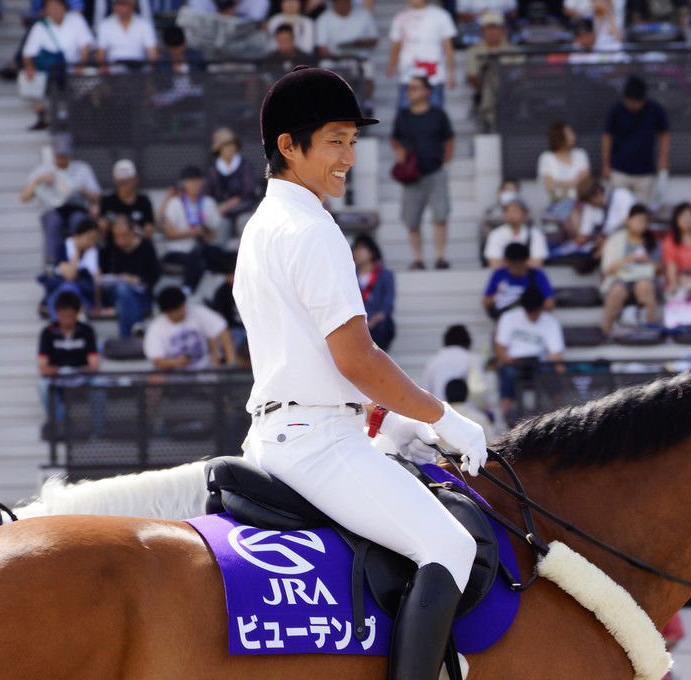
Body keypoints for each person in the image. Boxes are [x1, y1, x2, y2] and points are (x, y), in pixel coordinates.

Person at [233, 66, 488, 680]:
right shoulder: (313, 230)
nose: (349, 156)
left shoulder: (262, 225)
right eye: (334, 142)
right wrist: (442, 417)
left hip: (286, 432)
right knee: (452, 546)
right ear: (288, 147)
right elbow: (356, 358)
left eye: (353, 140)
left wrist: (389, 423)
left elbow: (320, 363)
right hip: (316, 444)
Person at [392, 75, 455, 270]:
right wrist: (400, 151)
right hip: (412, 175)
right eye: (409, 88)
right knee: (412, 220)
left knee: (440, 216)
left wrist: (445, 163)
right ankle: (418, 258)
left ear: (427, 91)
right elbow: (395, 138)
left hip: (435, 172)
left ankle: (439, 256)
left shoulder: (438, 114)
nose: (411, 92)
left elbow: (449, 139)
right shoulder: (403, 115)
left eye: (416, 88)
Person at [21, 132, 101, 265]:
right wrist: (38, 181)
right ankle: (52, 263)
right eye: (59, 155)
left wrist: (83, 190)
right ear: (54, 154)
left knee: (79, 221)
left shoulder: (82, 168)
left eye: (65, 155)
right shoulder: (43, 170)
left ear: (71, 154)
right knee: (53, 222)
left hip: (76, 207)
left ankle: (81, 262)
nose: (62, 159)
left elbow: (97, 195)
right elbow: (24, 197)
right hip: (53, 209)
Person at [19, 0, 94, 130]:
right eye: (50, 7)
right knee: (28, 77)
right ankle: (43, 115)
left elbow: (86, 45)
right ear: (45, 10)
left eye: (57, 6)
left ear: (64, 7)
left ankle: (81, 115)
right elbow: (27, 54)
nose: (54, 10)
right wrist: (29, 67)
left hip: (73, 68)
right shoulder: (40, 26)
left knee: (91, 75)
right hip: (50, 71)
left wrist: (80, 65)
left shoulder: (76, 20)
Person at [495, 285, 565, 421]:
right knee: (508, 373)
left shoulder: (550, 323)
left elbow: (557, 357)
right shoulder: (509, 317)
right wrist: (509, 360)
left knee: (551, 374)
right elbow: (500, 350)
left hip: (539, 364)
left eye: (535, 311)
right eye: (529, 311)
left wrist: (561, 374)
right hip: (514, 363)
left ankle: (560, 414)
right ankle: (506, 416)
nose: (532, 315)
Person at [157, 164, 227, 295]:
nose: (194, 184)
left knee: (215, 252)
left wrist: (205, 233)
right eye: (190, 181)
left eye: (197, 180)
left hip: (201, 247)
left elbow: (214, 232)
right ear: (183, 183)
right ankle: (187, 289)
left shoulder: (209, 202)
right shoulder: (175, 203)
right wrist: (190, 233)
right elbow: (168, 232)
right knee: (195, 258)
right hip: (179, 250)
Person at [601, 75, 670, 204]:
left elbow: (664, 133)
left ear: (643, 99)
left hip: (644, 172)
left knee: (641, 211)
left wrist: (663, 159)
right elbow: (607, 136)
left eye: (635, 101)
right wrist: (606, 164)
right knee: (618, 207)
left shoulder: (655, 110)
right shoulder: (617, 109)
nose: (631, 105)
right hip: (619, 170)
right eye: (628, 100)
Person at [37, 290, 99, 427]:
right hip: (59, 377)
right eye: (62, 315)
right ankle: (60, 425)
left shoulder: (87, 331)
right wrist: (51, 370)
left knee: (99, 382)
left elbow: (94, 363)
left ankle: (99, 428)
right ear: (57, 313)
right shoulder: (48, 333)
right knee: (42, 385)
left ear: (76, 313)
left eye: (70, 315)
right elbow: (42, 365)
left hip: (81, 376)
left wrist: (84, 370)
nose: (66, 319)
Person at [600, 204, 661, 335]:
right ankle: (606, 331)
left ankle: (650, 330)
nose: (642, 224)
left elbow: (660, 269)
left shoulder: (652, 241)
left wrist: (647, 261)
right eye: (639, 220)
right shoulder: (615, 239)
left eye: (645, 221)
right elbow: (607, 268)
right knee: (617, 290)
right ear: (629, 220)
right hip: (620, 278)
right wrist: (626, 260)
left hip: (644, 279)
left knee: (644, 285)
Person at [144, 286, 237, 370]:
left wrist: (230, 364)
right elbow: (156, 359)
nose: (179, 313)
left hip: (205, 369)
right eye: (174, 311)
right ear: (166, 312)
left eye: (180, 308)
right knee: (156, 378)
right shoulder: (156, 327)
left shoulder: (197, 312)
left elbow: (222, 330)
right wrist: (176, 362)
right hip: (174, 375)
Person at [387, 0, 457, 109]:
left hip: (434, 78)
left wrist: (451, 72)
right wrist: (392, 65)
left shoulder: (441, 15)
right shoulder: (400, 17)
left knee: (435, 116)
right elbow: (396, 44)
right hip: (408, 77)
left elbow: (448, 47)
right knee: (406, 116)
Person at [99, 213, 160, 338]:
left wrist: (136, 279)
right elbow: (102, 273)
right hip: (114, 294)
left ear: (133, 231)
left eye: (124, 235)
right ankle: (136, 324)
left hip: (140, 295)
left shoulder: (146, 246)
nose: (120, 240)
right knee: (122, 290)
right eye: (116, 236)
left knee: (123, 300)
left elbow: (155, 275)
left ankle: (125, 339)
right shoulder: (109, 248)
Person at [314, 0, 378, 111]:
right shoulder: (324, 18)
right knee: (324, 67)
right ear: (334, 3)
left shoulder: (363, 14)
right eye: (340, 2)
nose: (344, 4)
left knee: (368, 68)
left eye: (346, 2)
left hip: (358, 56)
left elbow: (374, 39)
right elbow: (321, 47)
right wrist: (336, 57)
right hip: (334, 58)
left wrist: (362, 43)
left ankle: (366, 102)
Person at [205, 127, 260, 242]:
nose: (230, 148)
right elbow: (209, 194)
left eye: (232, 144)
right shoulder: (213, 171)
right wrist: (219, 208)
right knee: (219, 226)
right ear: (218, 149)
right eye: (226, 145)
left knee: (245, 223)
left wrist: (231, 203)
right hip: (223, 213)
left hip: (245, 209)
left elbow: (249, 189)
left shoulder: (245, 166)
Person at [464, 10, 516, 131]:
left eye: (495, 28)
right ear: (483, 31)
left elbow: (521, 72)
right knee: (490, 74)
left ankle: (490, 112)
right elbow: (472, 75)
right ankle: (490, 113)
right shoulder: (474, 50)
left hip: (510, 91)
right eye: (488, 28)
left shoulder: (511, 49)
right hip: (484, 90)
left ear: (502, 30)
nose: (492, 32)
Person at [41, 218, 101, 322]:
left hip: (83, 294)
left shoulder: (93, 252)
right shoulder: (63, 247)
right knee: (68, 286)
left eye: (94, 239)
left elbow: (96, 279)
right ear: (78, 236)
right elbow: (70, 275)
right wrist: (77, 250)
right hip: (60, 293)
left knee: (71, 287)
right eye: (89, 238)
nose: (92, 242)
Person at [538, 120, 591, 225]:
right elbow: (550, 187)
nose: (573, 135)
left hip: (582, 203)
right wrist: (576, 180)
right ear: (558, 136)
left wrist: (561, 183)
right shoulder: (547, 158)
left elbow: (586, 184)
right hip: (557, 205)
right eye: (569, 133)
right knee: (571, 211)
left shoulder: (580, 154)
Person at [484, 243, 556, 318]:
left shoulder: (537, 275)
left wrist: (528, 303)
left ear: (526, 260)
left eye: (518, 265)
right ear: (506, 261)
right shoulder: (499, 273)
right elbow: (485, 302)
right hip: (504, 317)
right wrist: (501, 296)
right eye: (511, 265)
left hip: (529, 318)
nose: (515, 269)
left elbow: (549, 304)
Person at [352, 234, 396, 351]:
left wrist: (372, 322)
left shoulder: (385, 275)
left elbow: (387, 303)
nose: (356, 252)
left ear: (371, 252)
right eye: (355, 249)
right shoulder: (350, 275)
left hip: (376, 324)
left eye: (361, 248)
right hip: (357, 323)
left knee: (383, 326)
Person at [422, 324, 484, 402]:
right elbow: (479, 389)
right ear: (467, 341)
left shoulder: (433, 361)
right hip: (467, 410)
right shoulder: (472, 359)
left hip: (440, 410)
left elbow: (426, 390)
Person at [483, 199, 549, 269]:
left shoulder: (536, 235)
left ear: (525, 215)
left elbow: (537, 262)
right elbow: (494, 263)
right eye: (507, 211)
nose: (511, 215)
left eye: (515, 211)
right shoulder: (495, 234)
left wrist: (509, 265)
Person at [94, 0, 158, 70]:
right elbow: (100, 53)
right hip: (114, 69)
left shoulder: (144, 24)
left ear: (133, 6)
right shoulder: (105, 25)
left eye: (123, 4)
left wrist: (150, 73)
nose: (119, 7)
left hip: (139, 69)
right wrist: (104, 70)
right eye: (117, 4)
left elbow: (153, 52)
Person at [98, 159, 155, 237]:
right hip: (112, 245)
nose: (125, 186)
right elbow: (102, 228)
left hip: (137, 243)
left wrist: (132, 231)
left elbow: (149, 228)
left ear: (135, 179)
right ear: (115, 180)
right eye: (121, 182)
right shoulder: (108, 201)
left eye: (128, 181)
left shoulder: (143, 201)